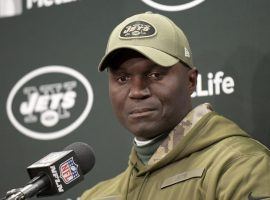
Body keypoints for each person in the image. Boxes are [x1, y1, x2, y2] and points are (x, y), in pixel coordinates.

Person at [81, 12, 270, 200]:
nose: (137, 91)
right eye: (122, 78)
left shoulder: (238, 166)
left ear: (191, 81)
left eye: (155, 75)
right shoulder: (98, 196)